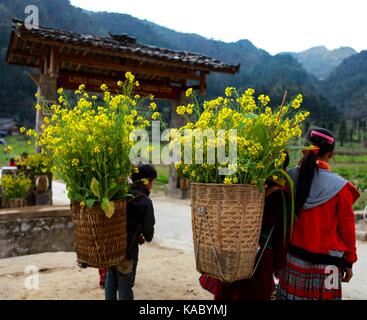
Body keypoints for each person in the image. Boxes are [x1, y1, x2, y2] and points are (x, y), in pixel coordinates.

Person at [277, 127, 360, 300]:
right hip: (328, 268)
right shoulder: (341, 188)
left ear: (303, 150)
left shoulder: (287, 179)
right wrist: (349, 262)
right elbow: (347, 231)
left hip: (293, 261)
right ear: (330, 154)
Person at [200, 154, 292, 300]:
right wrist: (276, 265)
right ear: (282, 170)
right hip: (261, 260)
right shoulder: (280, 196)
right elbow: (281, 236)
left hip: (232, 254)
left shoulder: (241, 186)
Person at [105, 164, 156, 300]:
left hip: (111, 245)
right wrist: (143, 235)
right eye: (153, 181)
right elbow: (149, 233)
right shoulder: (145, 201)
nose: (152, 185)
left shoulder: (121, 195)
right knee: (125, 283)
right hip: (128, 250)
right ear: (147, 181)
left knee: (111, 277)